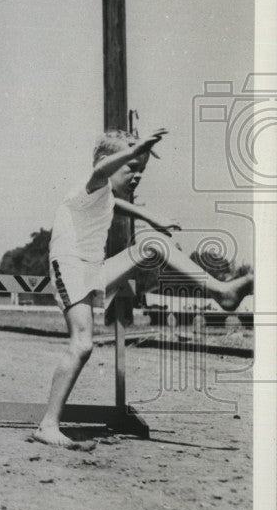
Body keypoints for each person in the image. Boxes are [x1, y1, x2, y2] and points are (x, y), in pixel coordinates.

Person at [32, 128, 254, 450]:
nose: (136, 176)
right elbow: (100, 173)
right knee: (82, 345)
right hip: (71, 268)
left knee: (154, 242)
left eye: (142, 171)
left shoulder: (104, 195)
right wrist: (140, 147)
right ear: (109, 162)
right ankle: (48, 425)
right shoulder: (89, 184)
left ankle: (223, 293)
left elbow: (117, 206)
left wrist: (152, 217)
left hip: (95, 269)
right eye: (131, 168)